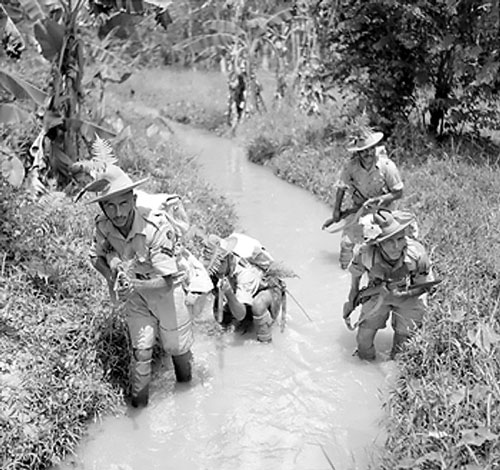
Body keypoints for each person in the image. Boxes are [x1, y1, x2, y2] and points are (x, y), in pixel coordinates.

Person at [77, 165, 194, 407]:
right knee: (141, 352)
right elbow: (95, 256)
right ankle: (139, 408)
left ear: (133, 200)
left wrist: (133, 285)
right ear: (102, 207)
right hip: (135, 296)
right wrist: (112, 274)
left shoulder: (156, 227)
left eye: (123, 204)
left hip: (165, 291)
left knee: (177, 348)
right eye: (110, 205)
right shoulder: (103, 225)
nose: (118, 212)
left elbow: (167, 282)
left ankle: (187, 399)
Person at [342, 209, 436, 361]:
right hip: (377, 293)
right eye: (389, 241)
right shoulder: (365, 253)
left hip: (410, 295)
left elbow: (424, 286)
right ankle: (367, 368)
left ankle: (393, 373)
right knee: (363, 341)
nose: (396, 246)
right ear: (378, 244)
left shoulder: (417, 254)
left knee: (402, 346)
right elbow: (356, 273)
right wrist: (352, 298)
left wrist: (401, 295)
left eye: (400, 239)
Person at [322, 130, 404, 269]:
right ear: (358, 153)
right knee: (346, 243)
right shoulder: (350, 167)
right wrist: (336, 211)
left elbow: (398, 192)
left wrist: (381, 199)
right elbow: (341, 188)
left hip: (383, 210)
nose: (369, 153)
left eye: (371, 149)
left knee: (384, 244)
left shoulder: (386, 166)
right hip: (360, 208)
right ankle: (345, 271)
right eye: (364, 151)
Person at [204, 233, 286, 343]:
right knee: (224, 322)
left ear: (228, 258)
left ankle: (265, 342)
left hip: (269, 292)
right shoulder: (215, 270)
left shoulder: (245, 274)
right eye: (213, 267)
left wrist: (228, 293)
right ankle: (239, 324)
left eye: (219, 265)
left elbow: (240, 315)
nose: (216, 270)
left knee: (258, 306)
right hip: (243, 294)